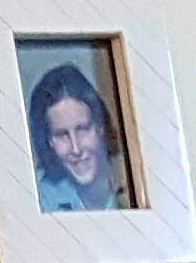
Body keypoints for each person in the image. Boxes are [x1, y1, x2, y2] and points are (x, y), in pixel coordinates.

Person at [28, 59, 127, 211]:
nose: (76, 149)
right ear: (49, 141)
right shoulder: (40, 197)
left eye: (82, 129)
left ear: (100, 128)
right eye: (62, 135)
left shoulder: (129, 179)